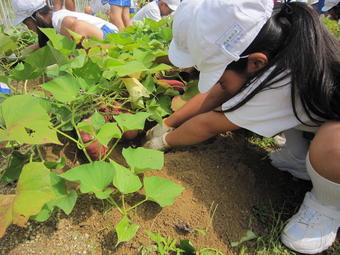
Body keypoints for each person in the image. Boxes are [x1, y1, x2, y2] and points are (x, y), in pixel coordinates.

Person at [144, 0, 340, 254]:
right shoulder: (280, 50)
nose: (218, 83)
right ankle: (300, 157)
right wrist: (168, 123)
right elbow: (215, 94)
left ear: (256, 63)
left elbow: (209, 123)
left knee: (332, 145)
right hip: (323, 114)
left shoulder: (278, 85)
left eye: (219, 76)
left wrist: (165, 141)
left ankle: (327, 206)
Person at [12, 0, 118, 49]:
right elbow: (42, 44)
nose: (29, 29)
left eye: (27, 24)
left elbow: (78, 26)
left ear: (36, 17)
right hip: (105, 36)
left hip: (110, 37)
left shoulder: (60, 20)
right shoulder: (54, 20)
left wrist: (73, 55)